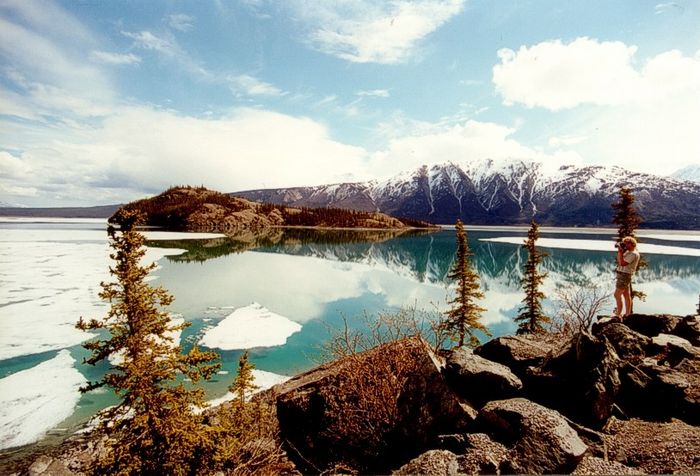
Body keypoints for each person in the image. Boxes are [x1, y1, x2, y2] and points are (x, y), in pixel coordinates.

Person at [613, 236, 641, 319]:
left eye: (626, 244)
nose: (625, 245)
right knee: (626, 295)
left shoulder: (633, 254)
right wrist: (620, 251)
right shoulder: (629, 252)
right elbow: (619, 261)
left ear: (631, 244)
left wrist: (621, 252)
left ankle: (618, 314)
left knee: (617, 295)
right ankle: (627, 314)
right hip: (623, 274)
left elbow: (622, 263)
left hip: (624, 275)